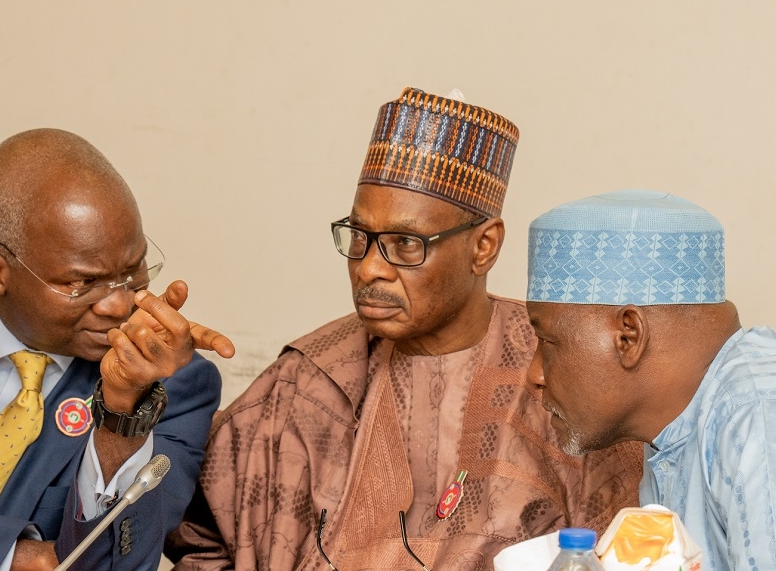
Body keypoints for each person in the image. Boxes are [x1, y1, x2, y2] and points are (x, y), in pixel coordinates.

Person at [166, 88, 642, 570]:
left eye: (405, 243)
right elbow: (196, 534)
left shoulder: (560, 373)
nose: (370, 267)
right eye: (360, 237)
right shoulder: (306, 379)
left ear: (483, 247)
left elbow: (634, 542)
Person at [0, 128, 234, 570]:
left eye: (133, 269)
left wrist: (122, 409)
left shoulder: (171, 383)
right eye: (82, 282)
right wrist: (10, 556)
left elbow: (116, 564)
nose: (119, 304)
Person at [523, 189, 776, 570]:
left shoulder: (768, 419)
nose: (534, 374)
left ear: (628, 336)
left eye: (547, 341)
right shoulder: (678, 438)